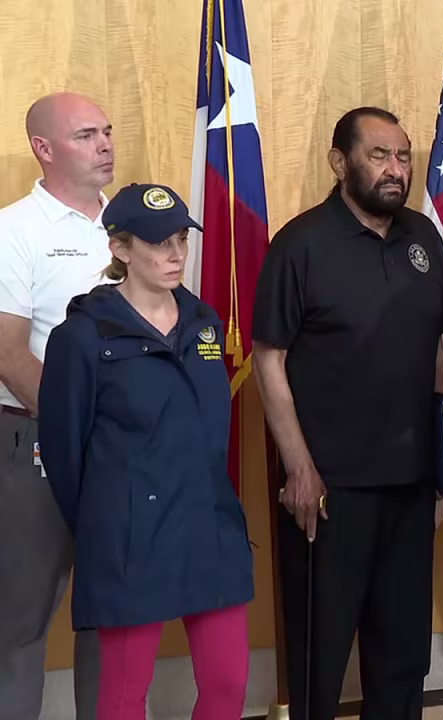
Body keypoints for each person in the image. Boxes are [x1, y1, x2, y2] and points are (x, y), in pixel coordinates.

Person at [252, 106, 443, 720]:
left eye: (403, 157)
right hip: (328, 490)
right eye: (379, 156)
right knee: (319, 656)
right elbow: (269, 359)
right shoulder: (300, 244)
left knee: (402, 657)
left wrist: (442, 461)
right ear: (340, 163)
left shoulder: (424, 238)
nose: (396, 169)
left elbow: (436, 352)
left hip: (410, 485)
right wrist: (298, 468)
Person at [38, 183, 253, 720]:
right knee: (123, 694)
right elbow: (64, 454)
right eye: (159, 243)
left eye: (182, 239)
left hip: (209, 527)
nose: (176, 254)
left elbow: (212, 431)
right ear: (121, 248)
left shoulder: (205, 324)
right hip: (130, 537)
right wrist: (110, 519)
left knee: (228, 684)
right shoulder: (83, 337)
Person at [0, 91, 111, 720]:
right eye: (86, 135)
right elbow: (9, 354)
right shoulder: (13, 230)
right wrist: (78, 433)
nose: (105, 144)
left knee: (110, 618)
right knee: (20, 625)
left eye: (107, 131)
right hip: (36, 445)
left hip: (120, 452)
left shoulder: (129, 229)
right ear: (43, 149)